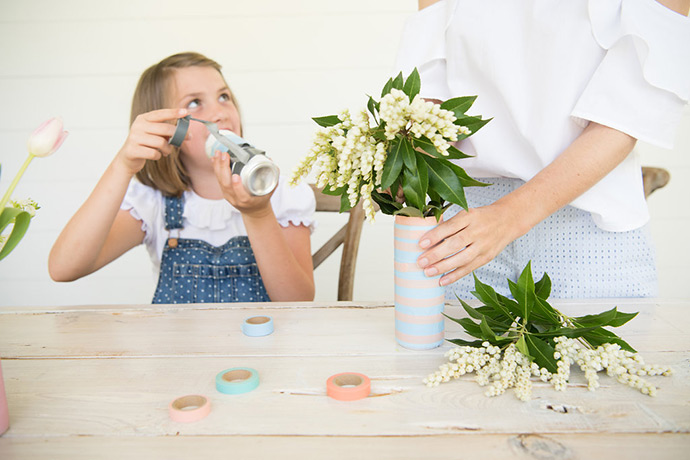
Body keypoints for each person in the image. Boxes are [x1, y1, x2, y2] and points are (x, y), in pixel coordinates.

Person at [396, 0, 690, 298]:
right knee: (437, 344)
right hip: (463, 226)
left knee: (594, 346)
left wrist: (507, 217)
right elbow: (431, 83)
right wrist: (409, 160)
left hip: (588, 229)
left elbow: (630, 110)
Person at [49, 52, 316, 303]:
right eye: (194, 103)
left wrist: (258, 214)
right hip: (178, 351)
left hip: (259, 351)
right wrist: (123, 165)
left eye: (224, 96)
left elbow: (298, 301)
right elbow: (64, 268)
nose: (219, 113)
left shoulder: (281, 192)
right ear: (166, 129)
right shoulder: (153, 203)